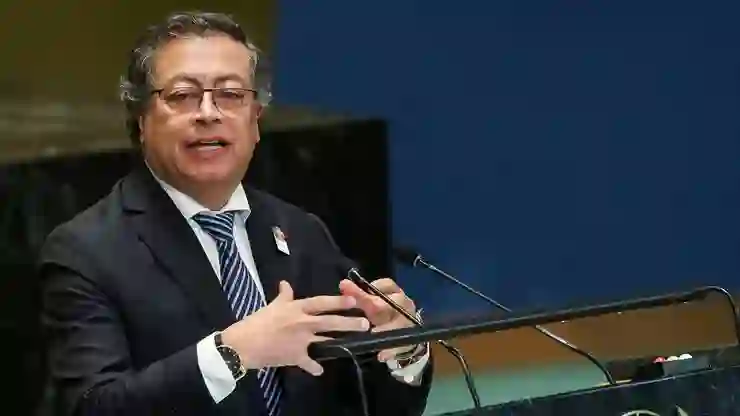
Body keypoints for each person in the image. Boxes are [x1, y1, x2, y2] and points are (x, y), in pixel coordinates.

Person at [39, 11, 433, 416]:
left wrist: (402, 349)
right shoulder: (86, 252)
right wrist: (231, 352)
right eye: (183, 95)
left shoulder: (300, 232)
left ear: (255, 120)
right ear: (141, 120)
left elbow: (369, 402)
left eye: (230, 95)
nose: (208, 113)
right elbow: (93, 407)